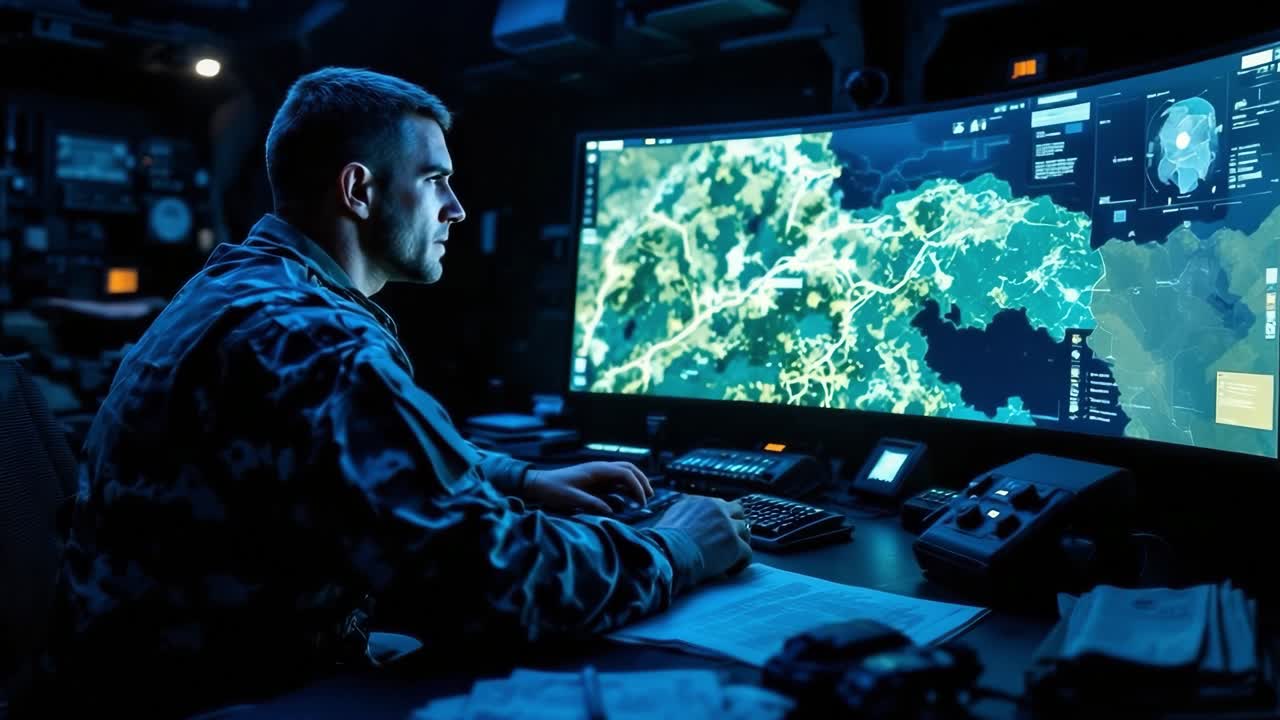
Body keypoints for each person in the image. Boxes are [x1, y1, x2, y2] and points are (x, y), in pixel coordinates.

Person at [22, 67, 752, 716]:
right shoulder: (317, 340)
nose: (457, 208)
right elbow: (497, 585)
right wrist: (678, 546)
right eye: (435, 179)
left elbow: (342, 453)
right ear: (359, 190)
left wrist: (523, 477)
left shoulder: (240, 287)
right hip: (219, 700)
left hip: (122, 685)